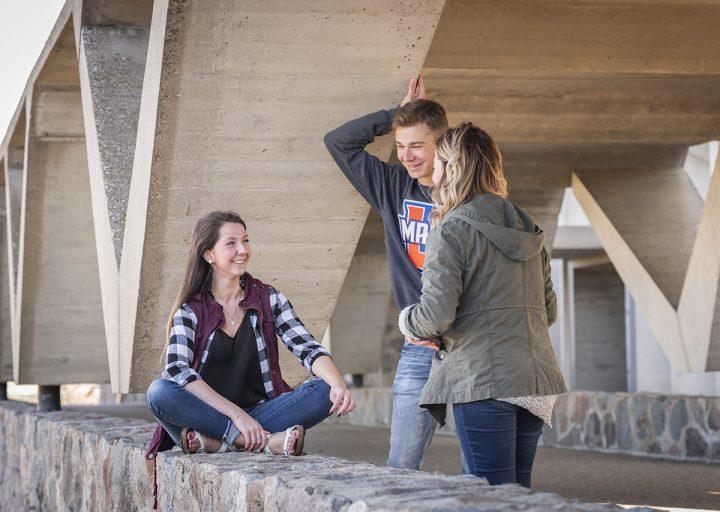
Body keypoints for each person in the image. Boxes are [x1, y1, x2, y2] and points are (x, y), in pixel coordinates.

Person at [398, 122, 567, 487]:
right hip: (535, 379)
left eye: (438, 162)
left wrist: (407, 322)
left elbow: (435, 316)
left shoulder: (451, 229)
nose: (432, 170)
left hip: (484, 378)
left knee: (487, 495)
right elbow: (548, 311)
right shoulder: (527, 225)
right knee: (516, 494)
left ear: (451, 167)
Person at [145, 211, 355, 461]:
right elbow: (177, 370)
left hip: (263, 412)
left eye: (245, 240)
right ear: (209, 254)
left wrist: (338, 383)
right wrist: (236, 416)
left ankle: (218, 443)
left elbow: (307, 348)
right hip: (207, 414)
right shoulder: (190, 310)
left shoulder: (269, 298)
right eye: (231, 243)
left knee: (324, 389)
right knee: (159, 392)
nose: (242, 249)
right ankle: (260, 441)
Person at [324, 77, 450, 470]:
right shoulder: (393, 187)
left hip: (471, 346)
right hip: (419, 346)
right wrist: (391, 117)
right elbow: (338, 142)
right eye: (400, 147)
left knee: (483, 467)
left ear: (441, 146)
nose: (407, 156)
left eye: (417, 145)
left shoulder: (466, 193)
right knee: (400, 464)